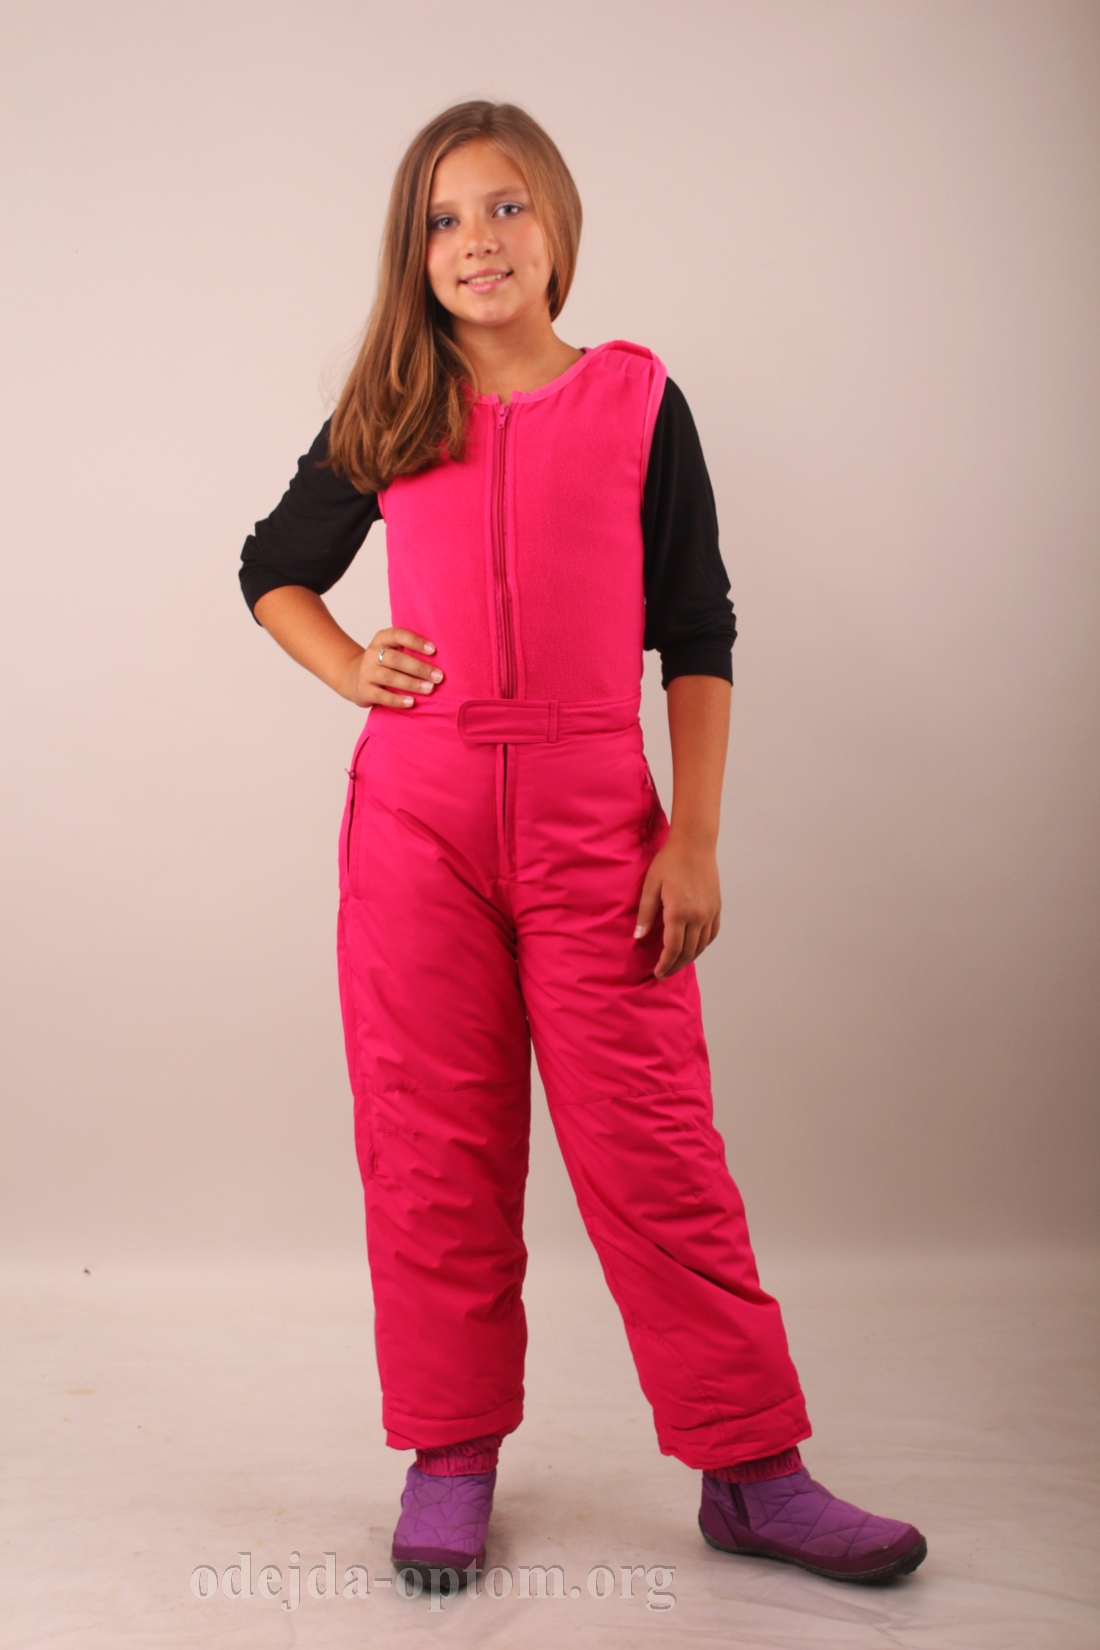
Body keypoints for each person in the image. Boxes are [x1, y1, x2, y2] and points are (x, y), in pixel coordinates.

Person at [238, 99, 927, 1593]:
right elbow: (271, 567)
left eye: (505, 207)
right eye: (443, 219)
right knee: (432, 1149)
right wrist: (350, 665)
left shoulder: (636, 400)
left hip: (595, 827)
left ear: (557, 224)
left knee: (656, 1147)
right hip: (416, 831)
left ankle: (753, 1470)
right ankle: (450, 1453)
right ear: (412, 252)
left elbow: (698, 627)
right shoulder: (389, 409)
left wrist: (696, 835)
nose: (476, 241)